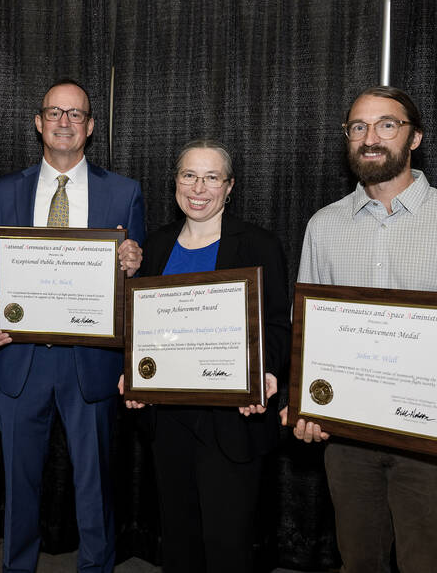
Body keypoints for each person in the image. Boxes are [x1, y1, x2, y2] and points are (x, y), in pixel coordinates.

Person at [282, 86, 437, 572]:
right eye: (358, 127)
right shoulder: (323, 226)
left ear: (414, 138)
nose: (370, 138)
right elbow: (306, 327)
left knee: (429, 562)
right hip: (347, 437)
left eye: (386, 125)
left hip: (431, 437)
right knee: (358, 561)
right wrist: (304, 400)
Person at [0, 78, 145, 572]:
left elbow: (135, 283)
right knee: (18, 484)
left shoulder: (124, 192)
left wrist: (134, 262)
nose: (64, 122)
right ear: (38, 123)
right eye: (54, 112)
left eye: (75, 114)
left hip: (90, 363)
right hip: (19, 357)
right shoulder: (4, 189)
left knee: (95, 488)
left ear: (90, 127)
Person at [119, 138, 290, 573]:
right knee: (178, 542)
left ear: (229, 187)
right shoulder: (154, 247)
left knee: (227, 544)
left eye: (212, 177)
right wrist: (131, 374)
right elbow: (140, 327)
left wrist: (264, 372)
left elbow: (276, 325)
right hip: (168, 418)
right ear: (175, 182)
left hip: (232, 417)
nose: (199, 187)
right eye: (189, 175)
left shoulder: (259, 245)